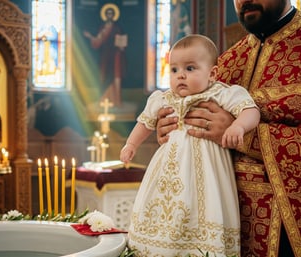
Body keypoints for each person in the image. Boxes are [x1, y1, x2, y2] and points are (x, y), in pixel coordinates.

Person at [156, 1, 301, 256]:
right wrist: (170, 126)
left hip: (287, 230)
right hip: (218, 221)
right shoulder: (227, 61)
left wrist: (246, 136)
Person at [120, 34, 260, 257]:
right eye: (174, 70)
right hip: (169, 169)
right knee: (163, 208)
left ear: (212, 73)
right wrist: (131, 144)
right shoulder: (164, 99)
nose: (180, 76)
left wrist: (238, 127)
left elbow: (251, 110)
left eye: (190, 68)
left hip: (207, 170)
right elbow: (145, 122)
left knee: (201, 208)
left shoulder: (221, 93)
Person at [83, 3, 126, 106]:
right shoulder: (103, 28)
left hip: (116, 56)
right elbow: (98, 41)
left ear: (114, 15)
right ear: (105, 15)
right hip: (105, 56)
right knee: (104, 76)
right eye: (108, 13)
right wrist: (89, 37)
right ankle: (104, 99)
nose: (110, 15)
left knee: (116, 76)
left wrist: (121, 46)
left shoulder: (117, 28)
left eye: (111, 13)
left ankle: (117, 101)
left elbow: (121, 41)